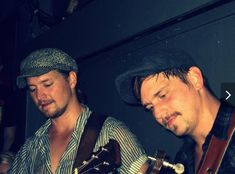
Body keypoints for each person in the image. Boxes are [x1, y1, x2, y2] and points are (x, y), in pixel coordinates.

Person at [9, 48, 148, 174]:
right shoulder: (30, 148)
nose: (39, 96)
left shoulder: (111, 132)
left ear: (72, 80)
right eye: (33, 89)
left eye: (47, 84)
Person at [115, 48, 235, 173]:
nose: (158, 114)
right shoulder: (183, 159)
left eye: (162, 95)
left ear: (195, 79)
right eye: (150, 108)